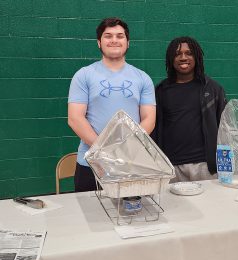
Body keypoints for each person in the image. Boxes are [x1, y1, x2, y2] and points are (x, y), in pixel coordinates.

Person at [68, 17, 156, 192]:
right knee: (90, 216)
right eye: (108, 36)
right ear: (99, 42)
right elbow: (75, 119)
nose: (114, 40)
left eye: (120, 36)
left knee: (130, 214)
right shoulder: (84, 75)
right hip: (91, 164)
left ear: (128, 42)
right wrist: (106, 152)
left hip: (131, 163)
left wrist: (124, 150)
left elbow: (149, 119)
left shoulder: (142, 78)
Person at [151, 36, 227, 182]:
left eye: (189, 53)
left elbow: (225, 129)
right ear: (170, 59)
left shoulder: (212, 89)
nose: (183, 57)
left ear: (197, 57)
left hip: (206, 166)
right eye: (177, 54)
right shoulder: (161, 91)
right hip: (171, 166)